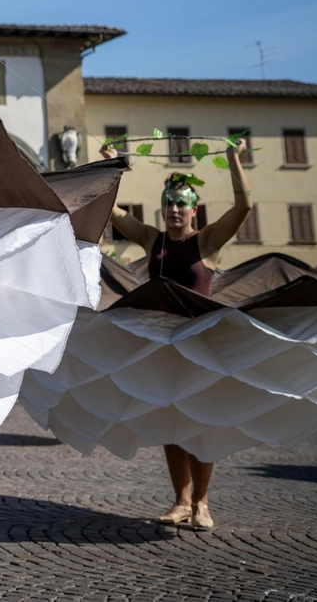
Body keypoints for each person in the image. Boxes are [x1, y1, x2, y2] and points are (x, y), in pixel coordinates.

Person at [102, 137, 250, 529]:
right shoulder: (154, 240)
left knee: (201, 421)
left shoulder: (208, 241)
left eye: (181, 203)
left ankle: (202, 503)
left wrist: (234, 159)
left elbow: (245, 206)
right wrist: (113, 166)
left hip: (203, 343)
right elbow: (113, 212)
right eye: (168, 202)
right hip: (164, 344)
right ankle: (181, 501)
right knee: (171, 423)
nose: (173, 209)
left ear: (194, 210)